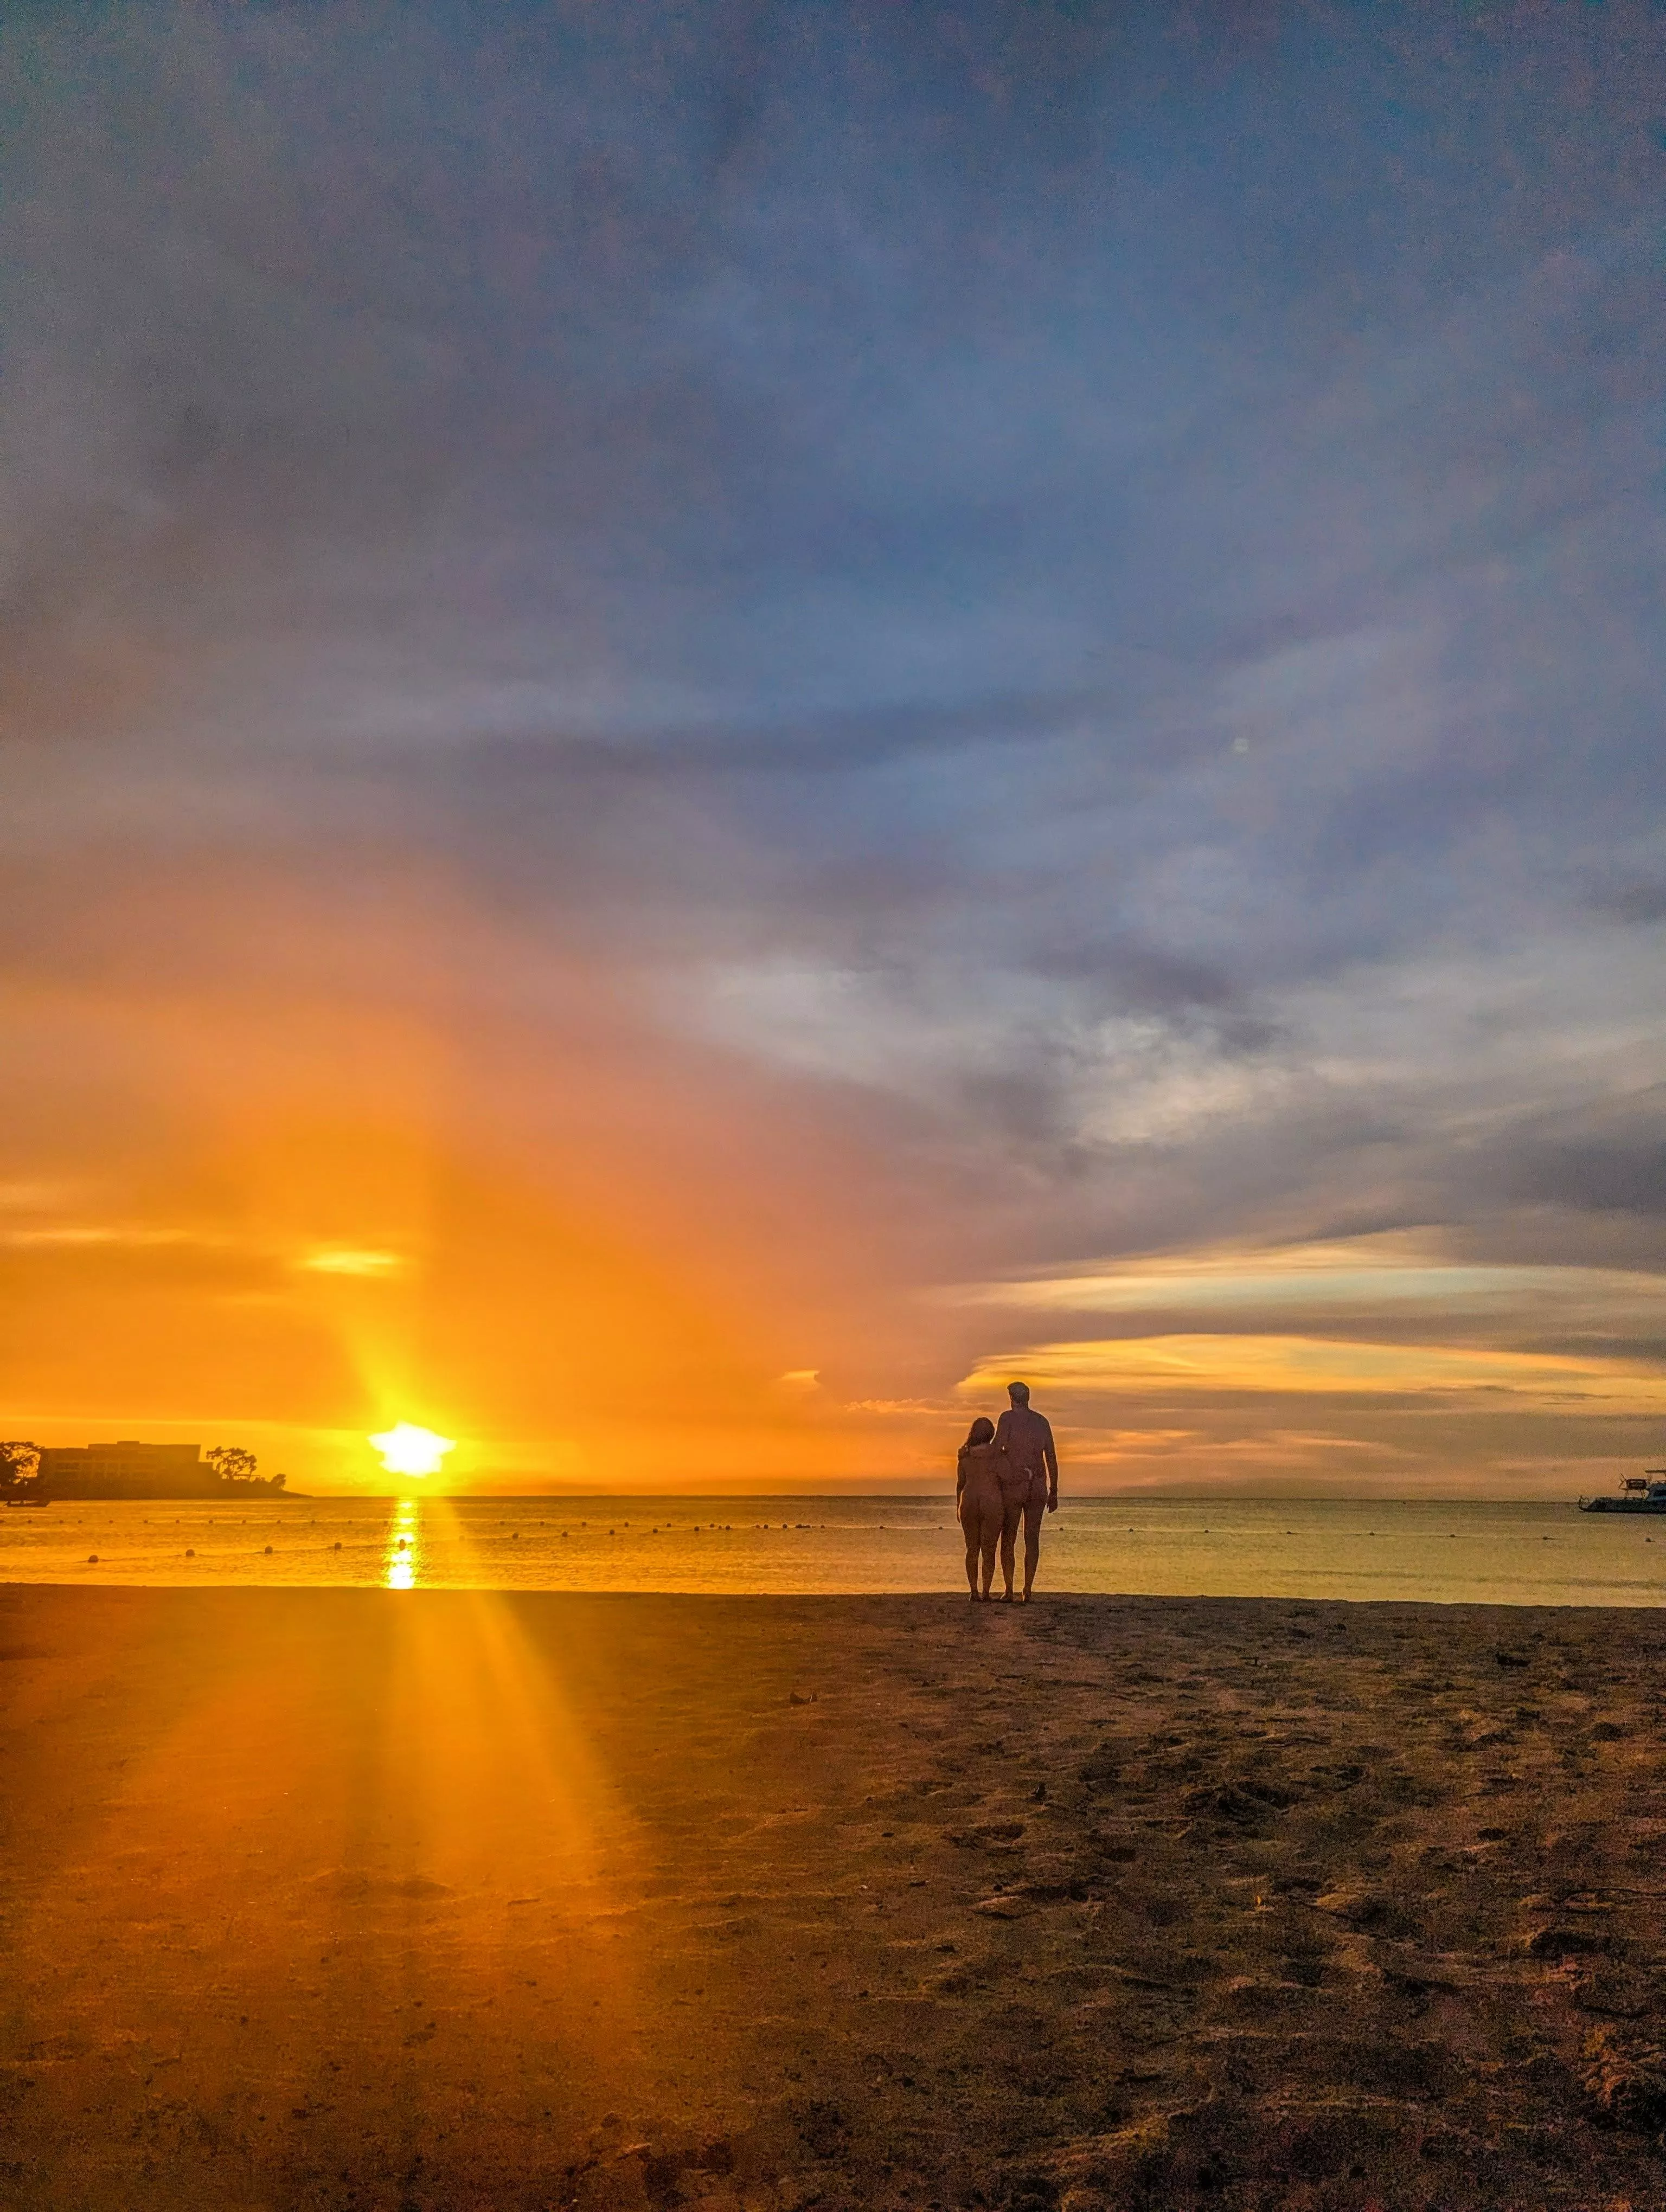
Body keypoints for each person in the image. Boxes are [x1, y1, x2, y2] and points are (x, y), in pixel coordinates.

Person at [993, 1380, 1058, 1603]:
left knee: (1008, 1537)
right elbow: (1051, 1457)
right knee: (1032, 1538)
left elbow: (996, 1448)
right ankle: (1027, 1589)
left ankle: (1009, 1588)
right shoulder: (1042, 1422)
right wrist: (1054, 1489)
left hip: (1015, 1484)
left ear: (1012, 1398)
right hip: (1039, 1485)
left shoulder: (1007, 1418)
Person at [955, 1416, 1004, 1602]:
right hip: (991, 1500)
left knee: (972, 1549)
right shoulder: (997, 1454)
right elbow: (1005, 1476)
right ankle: (986, 1591)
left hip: (968, 1500)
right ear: (991, 1434)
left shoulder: (965, 1455)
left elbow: (960, 1484)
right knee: (989, 1550)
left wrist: (957, 1506)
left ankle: (973, 1591)